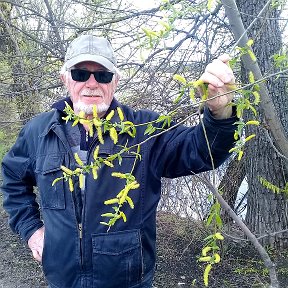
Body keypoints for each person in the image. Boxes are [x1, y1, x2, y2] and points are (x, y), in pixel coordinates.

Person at [1, 34, 237, 288]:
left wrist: (220, 113)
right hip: (61, 279)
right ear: (65, 79)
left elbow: (202, 152)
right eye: (81, 74)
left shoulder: (145, 129)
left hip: (128, 281)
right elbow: (13, 180)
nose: (92, 83)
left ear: (115, 81)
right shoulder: (38, 131)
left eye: (102, 75)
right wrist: (32, 230)